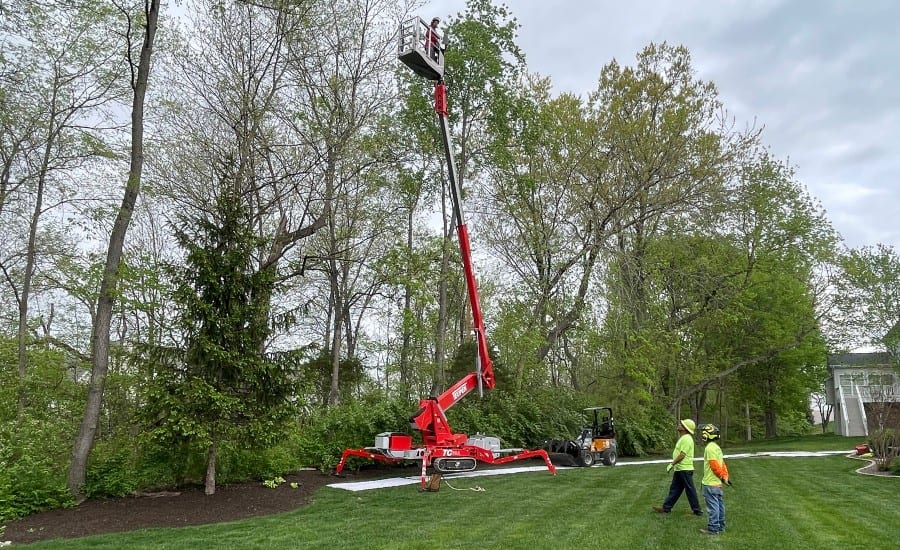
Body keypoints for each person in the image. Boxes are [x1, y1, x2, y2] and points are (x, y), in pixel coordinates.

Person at [654, 418, 702, 516]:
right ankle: (666, 508)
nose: (679, 425)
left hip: (685, 469)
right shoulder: (684, 438)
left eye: (681, 424)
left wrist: (672, 464)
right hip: (680, 469)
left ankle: (697, 511)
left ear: (685, 428)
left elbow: (682, 455)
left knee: (690, 490)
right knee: (675, 489)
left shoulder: (687, 439)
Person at [699, 423, 732, 535]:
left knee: (713, 507)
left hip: (710, 483)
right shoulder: (717, 448)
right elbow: (722, 464)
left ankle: (713, 528)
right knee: (719, 506)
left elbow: (714, 465)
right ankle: (721, 526)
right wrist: (725, 476)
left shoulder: (709, 448)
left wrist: (722, 476)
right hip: (717, 484)